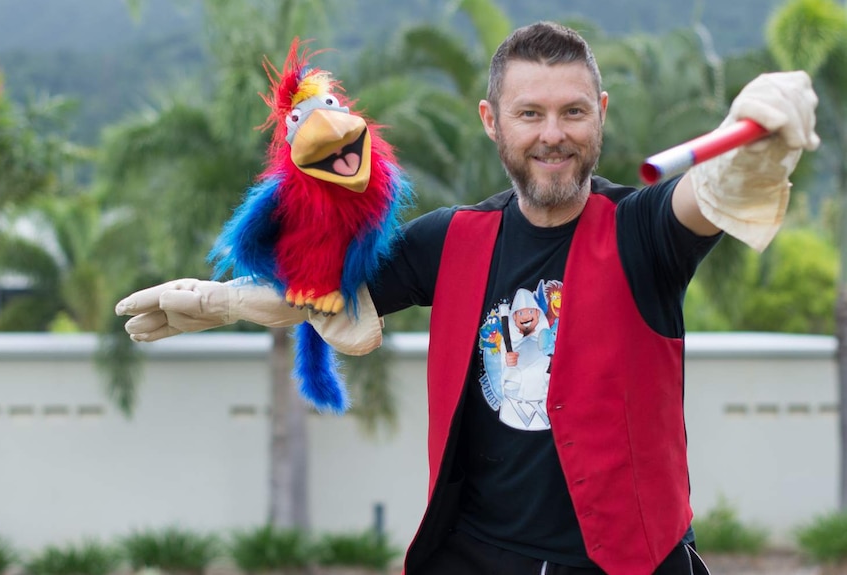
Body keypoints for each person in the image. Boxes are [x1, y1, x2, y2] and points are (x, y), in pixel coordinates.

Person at [116, 21, 819, 575]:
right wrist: (227, 299)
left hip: (628, 563)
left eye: (574, 111)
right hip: (475, 556)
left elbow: (710, 195)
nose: (554, 135)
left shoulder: (641, 230)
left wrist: (757, 150)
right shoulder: (450, 239)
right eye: (530, 113)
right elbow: (325, 291)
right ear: (492, 120)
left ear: (600, 112)